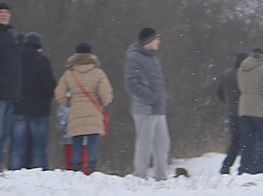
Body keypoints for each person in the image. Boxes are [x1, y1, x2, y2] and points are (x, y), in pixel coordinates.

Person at [54, 42, 113, 174]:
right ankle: (92, 166)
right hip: (93, 112)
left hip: (76, 113)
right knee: (92, 143)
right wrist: (101, 103)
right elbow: (106, 94)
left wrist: (70, 103)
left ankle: (75, 167)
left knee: (77, 144)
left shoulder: (69, 73)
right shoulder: (98, 73)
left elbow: (59, 93)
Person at [124, 28, 170, 180]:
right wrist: (151, 97)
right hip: (144, 108)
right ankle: (140, 175)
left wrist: (162, 98)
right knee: (144, 144)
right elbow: (131, 83)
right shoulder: (134, 58)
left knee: (162, 143)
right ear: (148, 41)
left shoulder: (153, 58)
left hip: (158, 108)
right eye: (156, 38)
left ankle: (161, 176)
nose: (159, 41)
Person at [9, 32, 56, 170]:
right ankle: (39, 173)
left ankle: (15, 172)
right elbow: (50, 85)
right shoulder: (42, 61)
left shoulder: (14, 60)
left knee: (17, 146)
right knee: (39, 147)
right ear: (39, 46)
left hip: (18, 108)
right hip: (39, 109)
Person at [237, 47, 263, 174]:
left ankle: (245, 167)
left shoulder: (241, 69)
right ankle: (261, 166)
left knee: (248, 141)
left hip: (245, 109)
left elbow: (240, 86)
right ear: (260, 56)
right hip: (261, 110)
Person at [217, 51, 248, 175]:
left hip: (231, 112)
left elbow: (219, 93)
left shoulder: (227, 74)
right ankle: (244, 167)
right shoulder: (243, 75)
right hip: (243, 111)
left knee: (235, 141)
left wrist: (228, 102)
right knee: (247, 141)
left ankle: (226, 165)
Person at [0, 2, 21, 170]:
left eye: (7, 12)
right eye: (1, 12)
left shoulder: (9, 36)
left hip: (10, 93)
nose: (4, 14)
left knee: (4, 134)